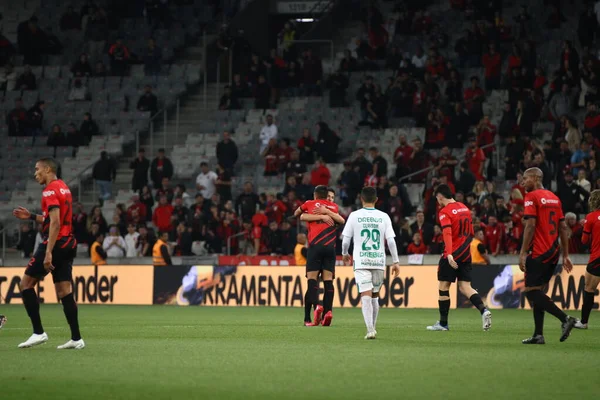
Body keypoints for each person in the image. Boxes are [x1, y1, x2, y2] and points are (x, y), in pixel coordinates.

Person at [12, 157, 84, 349]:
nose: (35, 173)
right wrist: (31, 216)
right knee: (64, 290)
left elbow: (55, 223)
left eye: (37, 169)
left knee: (26, 284)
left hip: (56, 242)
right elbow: (53, 217)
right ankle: (76, 339)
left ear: (48, 169)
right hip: (69, 242)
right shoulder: (64, 187)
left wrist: (49, 251)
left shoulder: (50, 190)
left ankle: (38, 332)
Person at [519, 167, 577, 344]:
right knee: (539, 291)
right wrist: (565, 255)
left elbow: (530, 226)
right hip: (553, 251)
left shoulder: (531, 197)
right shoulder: (554, 198)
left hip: (539, 251)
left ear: (536, 178)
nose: (522, 183)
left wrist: (522, 252)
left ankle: (565, 318)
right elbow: (563, 228)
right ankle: (538, 334)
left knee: (531, 292)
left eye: (525, 178)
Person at [427, 184, 492, 332]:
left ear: (440, 196)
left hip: (451, 255)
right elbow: (470, 233)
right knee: (465, 287)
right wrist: (464, 249)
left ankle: (443, 324)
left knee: (443, 287)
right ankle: (484, 310)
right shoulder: (464, 208)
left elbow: (447, 234)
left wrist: (450, 254)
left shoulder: (444, 212)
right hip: (465, 253)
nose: (437, 200)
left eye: (437, 197)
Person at [341, 186, 400, 339]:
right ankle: (373, 327)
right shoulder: (384, 216)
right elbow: (391, 241)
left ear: (361, 199)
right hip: (378, 260)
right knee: (374, 295)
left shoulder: (354, 216)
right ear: (376, 200)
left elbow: (346, 239)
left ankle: (370, 329)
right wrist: (396, 261)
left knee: (365, 295)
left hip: (361, 260)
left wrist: (344, 253)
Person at [294, 185, 345, 327]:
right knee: (328, 281)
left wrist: (323, 213)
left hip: (315, 247)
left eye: (332, 197)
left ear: (316, 195)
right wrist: (324, 215)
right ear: (325, 195)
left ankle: (316, 308)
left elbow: (298, 214)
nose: (330, 199)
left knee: (312, 281)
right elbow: (340, 220)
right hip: (330, 248)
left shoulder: (310, 204)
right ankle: (327, 312)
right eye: (329, 196)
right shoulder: (334, 207)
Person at [577, 189, 600, 329]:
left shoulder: (591, 217)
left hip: (597, 257)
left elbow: (584, 241)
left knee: (589, 288)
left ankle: (584, 322)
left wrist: (585, 226)